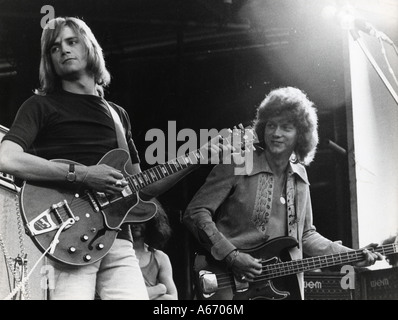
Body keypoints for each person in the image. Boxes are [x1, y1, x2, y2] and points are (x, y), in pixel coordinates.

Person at [0, 17, 230, 300]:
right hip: (68, 236)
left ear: (90, 49)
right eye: (54, 47)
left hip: (118, 239)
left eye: (72, 42)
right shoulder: (40, 105)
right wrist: (82, 174)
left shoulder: (117, 115)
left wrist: (199, 156)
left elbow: (140, 186)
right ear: (49, 59)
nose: (63, 50)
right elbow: (7, 158)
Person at [183, 86, 383, 300]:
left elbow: (305, 235)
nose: (276, 133)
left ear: (301, 135)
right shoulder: (238, 161)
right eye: (271, 125)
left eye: (286, 127)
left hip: (279, 288)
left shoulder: (300, 175)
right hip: (225, 282)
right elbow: (195, 212)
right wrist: (232, 255)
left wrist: (351, 256)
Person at [132, 205, 178, 300]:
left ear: (151, 222)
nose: (134, 224)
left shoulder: (160, 257)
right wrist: (159, 289)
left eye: (140, 218)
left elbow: (173, 298)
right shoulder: (114, 255)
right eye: (130, 220)